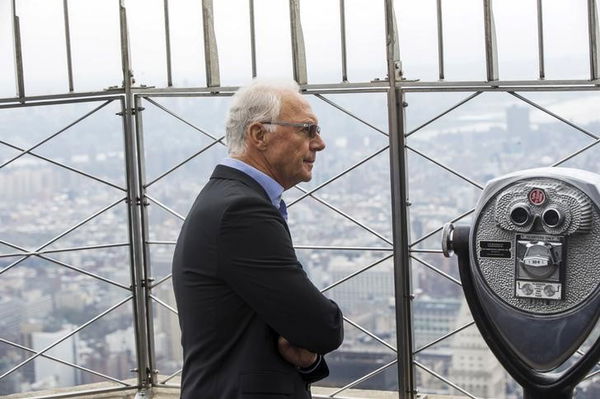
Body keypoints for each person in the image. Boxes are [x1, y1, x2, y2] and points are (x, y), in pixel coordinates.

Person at [172, 79, 344, 399]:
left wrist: (307, 358)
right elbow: (323, 327)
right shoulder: (242, 211)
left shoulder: (229, 199)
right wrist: (314, 332)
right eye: (307, 130)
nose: (319, 143)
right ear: (259, 135)